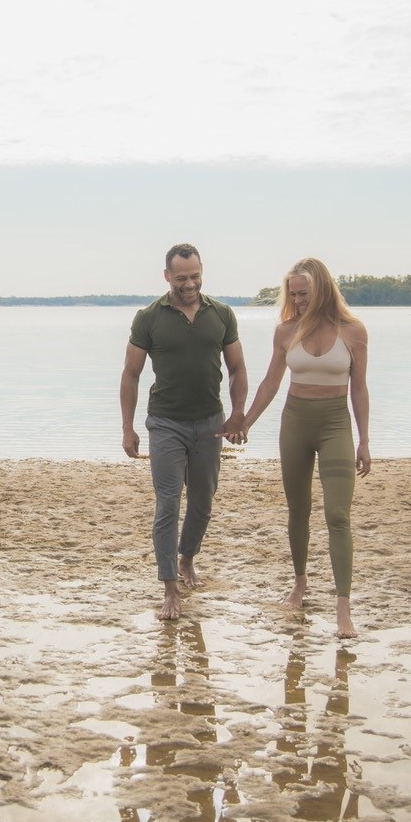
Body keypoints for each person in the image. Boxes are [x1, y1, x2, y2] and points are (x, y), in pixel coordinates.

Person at [241, 257, 370, 638]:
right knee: (298, 510)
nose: (297, 301)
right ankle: (300, 583)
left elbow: (359, 388)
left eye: (304, 294)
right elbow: (269, 383)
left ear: (323, 290)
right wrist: (245, 423)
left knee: (337, 515)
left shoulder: (353, 331)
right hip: (295, 422)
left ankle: (343, 608)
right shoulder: (285, 331)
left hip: (335, 425)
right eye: (293, 294)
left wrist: (364, 440)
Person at [120, 243, 248, 620]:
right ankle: (170, 587)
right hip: (165, 423)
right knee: (168, 502)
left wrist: (238, 414)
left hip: (210, 423)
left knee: (204, 500)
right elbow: (131, 374)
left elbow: (238, 369)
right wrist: (127, 428)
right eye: (181, 278)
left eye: (195, 276)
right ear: (167, 277)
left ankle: (187, 557)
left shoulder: (221, 314)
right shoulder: (148, 318)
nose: (189, 284)